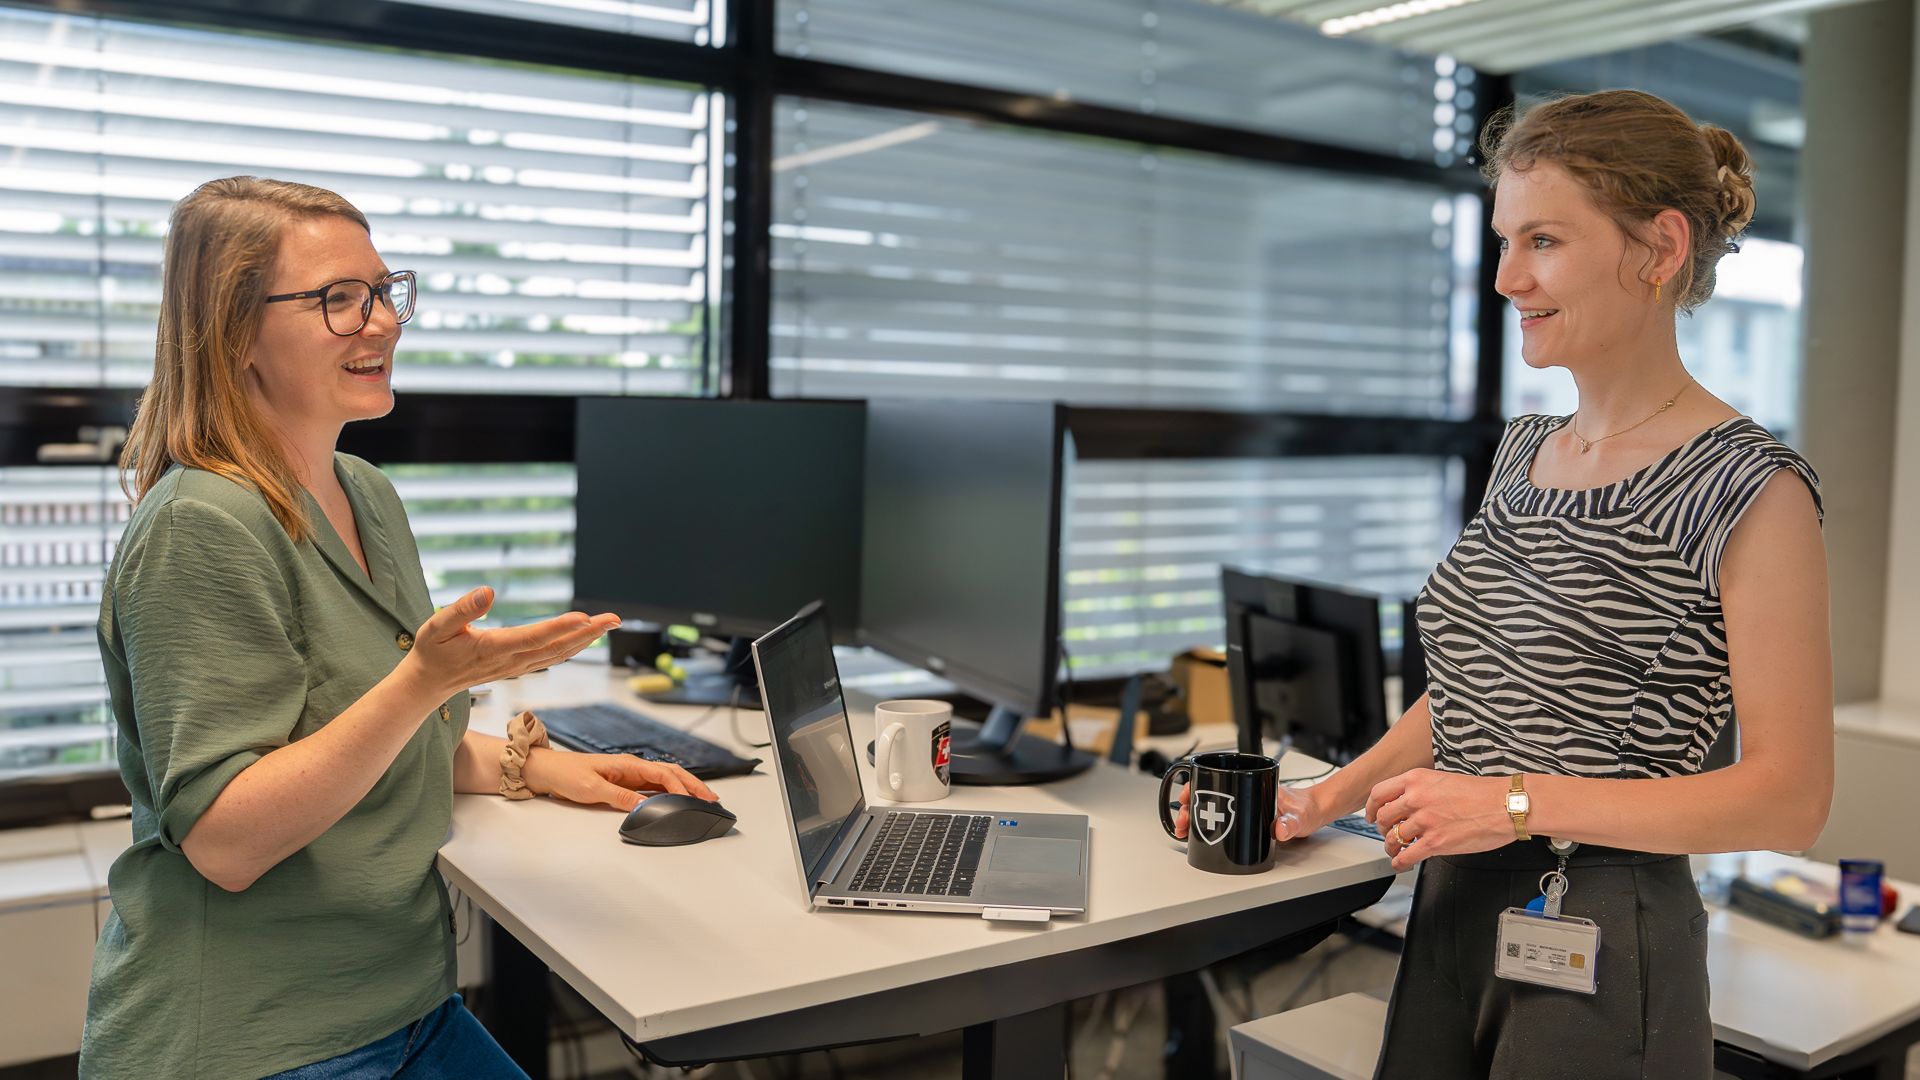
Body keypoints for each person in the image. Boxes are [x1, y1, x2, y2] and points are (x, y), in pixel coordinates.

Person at [1179, 89, 1832, 1078]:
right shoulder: (1524, 453)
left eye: (1544, 241)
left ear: (1659, 248)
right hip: (1454, 904)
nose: (1506, 277)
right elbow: (1480, 691)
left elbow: (1789, 800)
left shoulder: (1751, 487)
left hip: (1602, 929)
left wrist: (1515, 805)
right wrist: (1329, 795)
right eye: (1503, 242)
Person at [80, 176, 718, 1079]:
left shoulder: (365, 493)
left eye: (383, 291)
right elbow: (226, 841)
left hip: (405, 1003)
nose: (381, 322)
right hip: (255, 1037)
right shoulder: (200, 525)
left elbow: (367, 746)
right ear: (234, 332)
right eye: (338, 299)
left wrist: (541, 768)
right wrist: (426, 681)